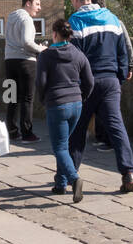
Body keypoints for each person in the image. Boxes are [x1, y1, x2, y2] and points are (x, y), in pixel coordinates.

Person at [66, 0, 133, 193]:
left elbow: (74, 58)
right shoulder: (113, 19)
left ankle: (70, 176)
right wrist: (120, 76)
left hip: (86, 84)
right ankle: (128, 173)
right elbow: (123, 51)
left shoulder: (75, 22)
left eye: (72, 1)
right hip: (110, 81)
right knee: (116, 128)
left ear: (77, 0)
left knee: (77, 130)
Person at [37, 18, 94, 201]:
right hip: (76, 104)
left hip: (57, 104)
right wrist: (82, 97)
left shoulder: (46, 55)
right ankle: (60, 183)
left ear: (54, 34)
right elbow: (90, 81)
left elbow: (41, 82)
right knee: (65, 144)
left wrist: (43, 99)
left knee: (60, 147)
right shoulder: (78, 54)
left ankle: (74, 179)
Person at [90, 0, 133, 150]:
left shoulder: (110, 21)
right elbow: (128, 47)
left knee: (108, 110)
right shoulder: (115, 20)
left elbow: (126, 46)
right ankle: (102, 137)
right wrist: (129, 66)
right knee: (105, 107)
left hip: (108, 70)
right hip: (113, 69)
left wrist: (129, 66)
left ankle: (108, 140)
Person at [3, 0, 46, 142]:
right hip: (26, 62)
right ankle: (27, 133)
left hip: (10, 60)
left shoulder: (11, 17)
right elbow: (27, 42)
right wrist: (40, 49)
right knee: (27, 98)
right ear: (28, 3)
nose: (39, 8)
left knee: (12, 97)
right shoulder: (27, 19)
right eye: (37, 4)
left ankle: (12, 131)